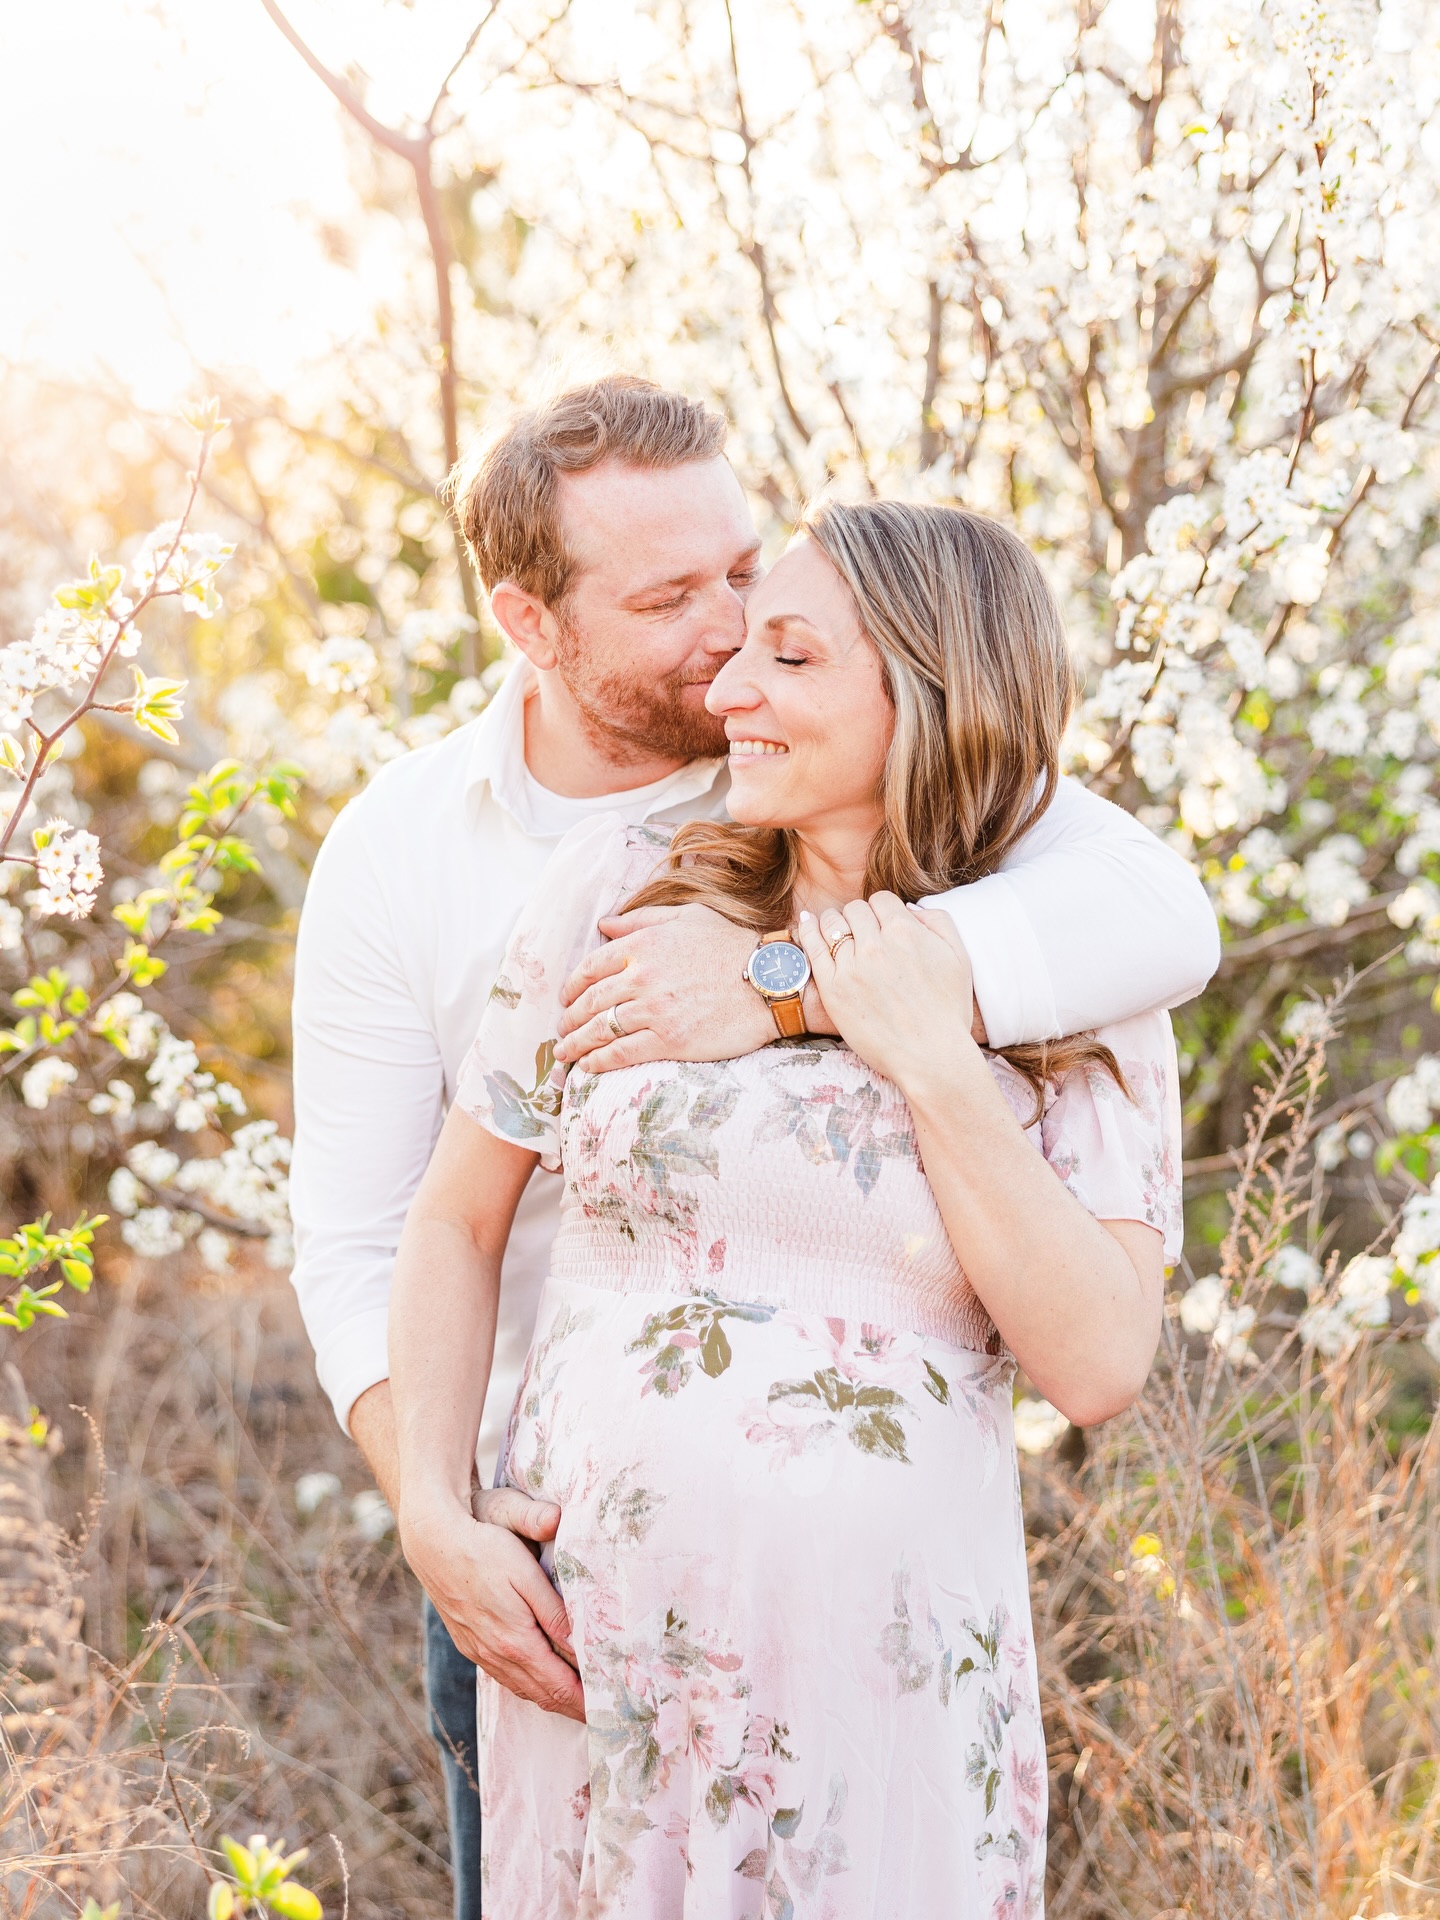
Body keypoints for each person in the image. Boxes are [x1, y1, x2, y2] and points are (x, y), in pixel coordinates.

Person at [288, 378, 1217, 1917]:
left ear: (928, 689)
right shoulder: (596, 880)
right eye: (681, 603)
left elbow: (1102, 1362)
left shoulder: (1055, 934)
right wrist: (436, 1514)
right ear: (535, 622)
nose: (728, 657)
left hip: (877, 1679)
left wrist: (882, 1021)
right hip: (574, 1640)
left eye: (767, 613)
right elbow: (400, 1231)